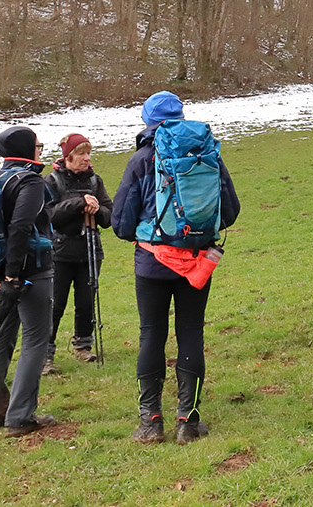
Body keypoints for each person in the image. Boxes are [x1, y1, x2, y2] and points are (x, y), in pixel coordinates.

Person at [113, 91, 240, 444]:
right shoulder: (207, 154)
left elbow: (121, 223)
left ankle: (151, 422)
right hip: (196, 263)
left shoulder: (141, 159)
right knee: (191, 333)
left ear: (147, 122)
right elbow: (230, 210)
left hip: (151, 263)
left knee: (151, 334)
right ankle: (188, 421)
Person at [0, 125, 58, 436]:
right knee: (36, 341)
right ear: (27, 150)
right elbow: (21, 226)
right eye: (38, 146)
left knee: (0, 340)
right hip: (29, 271)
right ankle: (20, 417)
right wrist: (14, 273)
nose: (41, 151)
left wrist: (2, 273)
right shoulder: (29, 181)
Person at [43, 133, 113, 373]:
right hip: (60, 252)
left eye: (88, 153)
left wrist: (97, 209)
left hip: (90, 250)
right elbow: (49, 216)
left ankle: (83, 345)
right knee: (55, 304)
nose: (87, 158)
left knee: (86, 302)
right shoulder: (51, 182)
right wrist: (79, 203)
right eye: (82, 153)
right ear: (68, 156)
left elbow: (109, 216)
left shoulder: (95, 181)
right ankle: (45, 354)